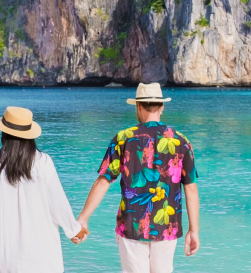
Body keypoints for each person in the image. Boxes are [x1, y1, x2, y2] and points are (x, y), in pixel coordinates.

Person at [75, 83, 201, 273]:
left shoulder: (123, 138)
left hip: (131, 227)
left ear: (138, 106)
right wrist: (194, 231)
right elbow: (191, 188)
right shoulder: (181, 141)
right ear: (162, 107)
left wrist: (83, 218)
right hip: (167, 227)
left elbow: (104, 180)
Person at [0, 107, 88, 273]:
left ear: (4, 134)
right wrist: (73, 230)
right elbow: (57, 203)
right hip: (42, 255)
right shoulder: (43, 162)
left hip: (7, 254)